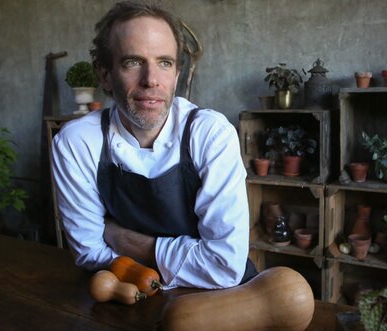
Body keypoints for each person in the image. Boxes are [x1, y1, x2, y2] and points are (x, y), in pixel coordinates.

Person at [51, 1, 257, 290]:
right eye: (133, 62)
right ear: (105, 75)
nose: (151, 81)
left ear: (176, 74)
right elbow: (89, 252)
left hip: (219, 300)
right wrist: (184, 262)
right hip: (127, 292)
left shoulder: (210, 134)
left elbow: (224, 267)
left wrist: (122, 238)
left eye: (164, 63)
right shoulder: (77, 142)